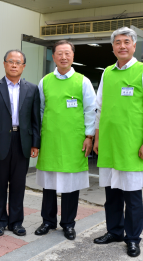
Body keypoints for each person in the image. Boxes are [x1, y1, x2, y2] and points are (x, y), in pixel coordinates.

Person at [93, 27, 143, 258]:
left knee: (132, 197)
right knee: (111, 194)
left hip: (132, 146)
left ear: (133, 46)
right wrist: (97, 138)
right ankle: (114, 231)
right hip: (110, 145)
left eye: (126, 42)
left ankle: (133, 239)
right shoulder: (107, 73)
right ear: (112, 48)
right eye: (117, 43)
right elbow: (100, 108)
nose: (122, 46)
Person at [34, 40, 96, 240]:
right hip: (50, 141)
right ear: (53, 57)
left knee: (70, 186)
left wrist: (89, 136)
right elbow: (41, 110)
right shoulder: (45, 81)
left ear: (73, 56)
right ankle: (48, 221)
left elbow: (90, 110)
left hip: (73, 142)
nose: (63, 57)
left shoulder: (82, 81)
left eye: (67, 53)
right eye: (59, 54)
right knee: (49, 185)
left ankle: (68, 224)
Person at [0, 50, 41, 237]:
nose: (14, 65)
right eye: (10, 61)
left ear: (23, 66)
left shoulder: (32, 89)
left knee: (18, 185)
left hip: (22, 141)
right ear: (4, 64)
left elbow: (35, 119)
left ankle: (16, 222)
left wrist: (35, 143)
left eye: (18, 62)